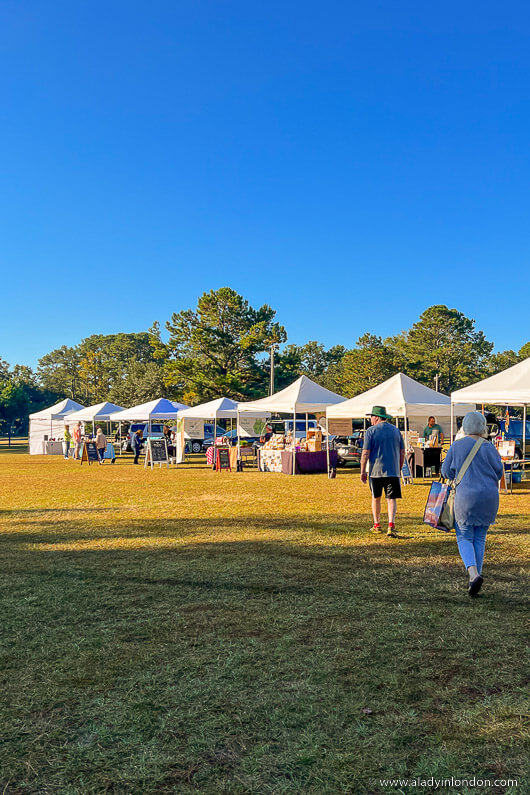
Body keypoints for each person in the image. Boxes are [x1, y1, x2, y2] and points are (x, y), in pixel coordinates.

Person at [441, 411, 503, 597]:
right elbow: (499, 472)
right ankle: (475, 578)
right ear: (483, 426)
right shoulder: (490, 447)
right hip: (489, 497)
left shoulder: (457, 446)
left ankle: (473, 574)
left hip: (466, 497)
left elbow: (446, 471)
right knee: (480, 537)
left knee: (464, 536)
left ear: (465, 427)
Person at [360, 406, 405, 537]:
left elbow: (365, 453)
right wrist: (399, 467)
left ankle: (377, 524)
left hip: (375, 471)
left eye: (371, 417)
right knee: (391, 499)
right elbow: (402, 452)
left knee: (376, 497)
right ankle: (391, 525)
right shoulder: (396, 431)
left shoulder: (371, 431)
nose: (370, 420)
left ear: (377, 418)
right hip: (393, 471)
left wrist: (362, 470)